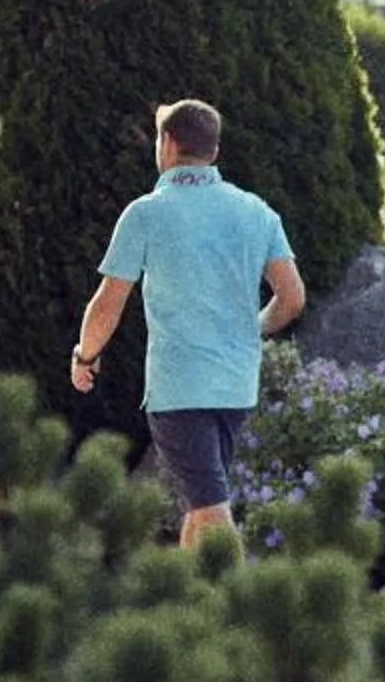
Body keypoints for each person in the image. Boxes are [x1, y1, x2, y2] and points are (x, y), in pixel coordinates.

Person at [71, 99, 306, 547]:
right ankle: (187, 589)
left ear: (167, 144)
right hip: (235, 386)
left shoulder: (145, 213)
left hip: (179, 388)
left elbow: (108, 302)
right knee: (202, 505)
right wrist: (252, 328)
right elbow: (292, 298)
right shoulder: (257, 211)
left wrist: (86, 356)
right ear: (213, 151)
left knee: (211, 512)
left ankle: (240, 594)